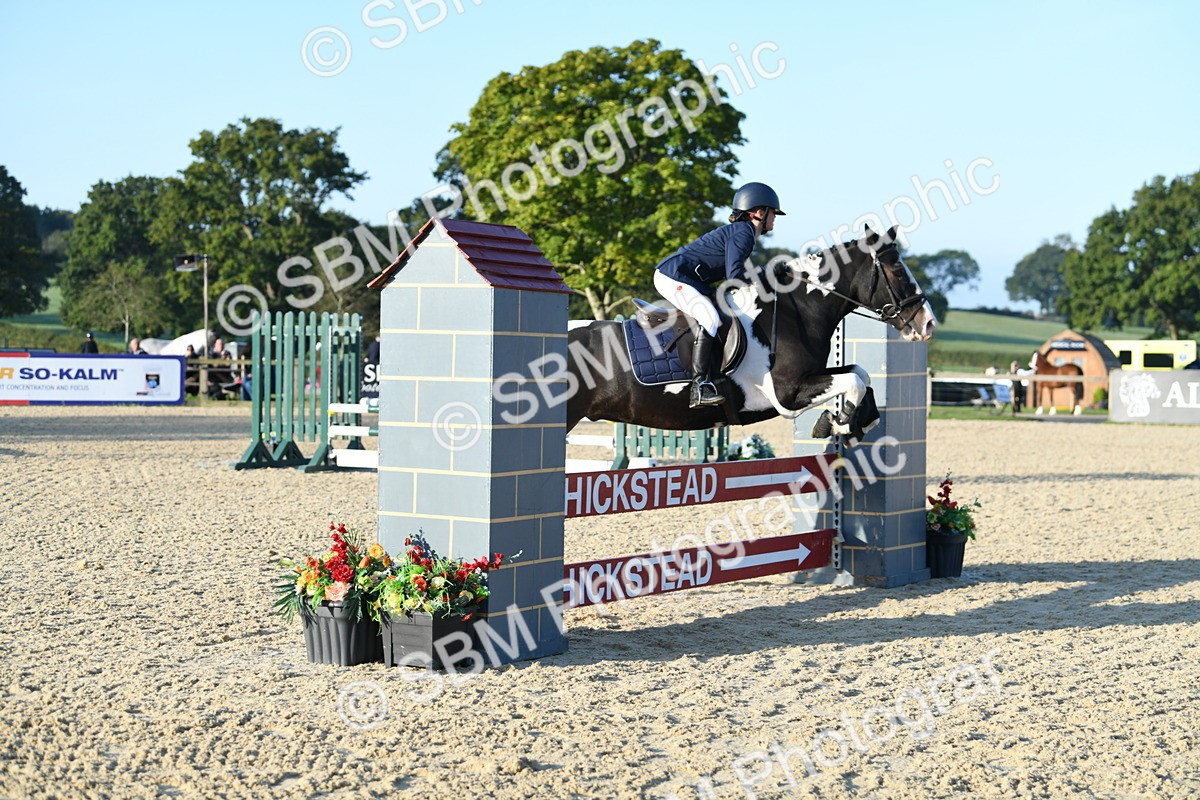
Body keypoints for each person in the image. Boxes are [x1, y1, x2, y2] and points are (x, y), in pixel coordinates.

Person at [653, 182, 785, 408]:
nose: (774, 218)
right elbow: (735, 275)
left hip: (686, 278)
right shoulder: (744, 233)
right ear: (759, 212)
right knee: (710, 319)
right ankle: (699, 387)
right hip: (672, 277)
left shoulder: (743, 232)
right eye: (773, 212)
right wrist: (766, 272)